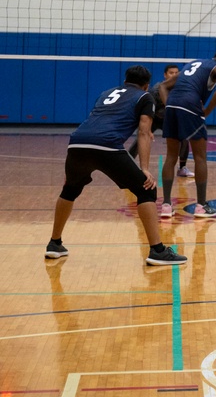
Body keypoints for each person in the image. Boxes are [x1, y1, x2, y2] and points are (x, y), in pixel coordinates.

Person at [45, 65, 187, 266]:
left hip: (77, 143)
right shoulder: (144, 97)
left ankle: (54, 243)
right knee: (146, 189)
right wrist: (144, 169)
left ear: (126, 79)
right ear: (146, 85)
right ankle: (157, 250)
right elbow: (144, 132)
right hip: (107, 145)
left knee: (69, 190)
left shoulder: (106, 93)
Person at [160, 49, 216, 219]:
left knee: (170, 156)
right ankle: (201, 206)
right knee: (200, 157)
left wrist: (170, 106)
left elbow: (163, 86)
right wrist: (206, 111)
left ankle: (166, 205)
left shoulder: (192, 64)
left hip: (172, 104)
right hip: (190, 104)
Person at [129, 64, 192, 177]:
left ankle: (182, 168)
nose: (174, 75)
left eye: (176, 73)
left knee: (184, 138)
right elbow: (147, 109)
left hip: (168, 119)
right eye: (171, 73)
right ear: (165, 75)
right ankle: (127, 166)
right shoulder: (157, 89)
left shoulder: (182, 88)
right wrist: (147, 129)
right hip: (153, 118)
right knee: (141, 139)